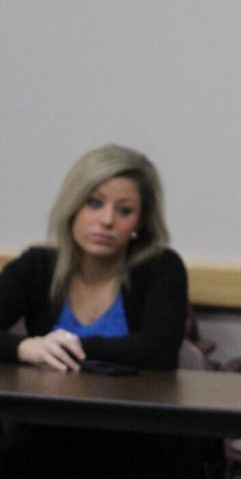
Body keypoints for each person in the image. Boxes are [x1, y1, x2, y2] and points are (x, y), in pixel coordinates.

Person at [0, 144, 189, 475]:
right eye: (95, 203)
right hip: (49, 431)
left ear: (140, 222)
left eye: (124, 210)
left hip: (135, 434)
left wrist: (63, 347)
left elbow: (158, 350)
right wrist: (25, 347)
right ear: (73, 206)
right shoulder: (37, 266)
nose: (106, 221)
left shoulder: (161, 267)